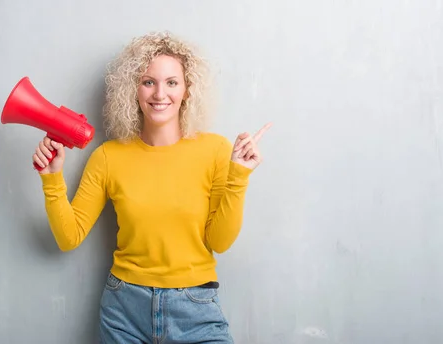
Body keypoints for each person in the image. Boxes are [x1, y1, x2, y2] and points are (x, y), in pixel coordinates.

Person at [32, 31, 271, 343]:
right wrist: (52, 178)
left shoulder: (214, 150)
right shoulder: (108, 157)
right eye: (148, 82)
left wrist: (239, 175)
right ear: (134, 89)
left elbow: (220, 241)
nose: (160, 93)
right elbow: (69, 237)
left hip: (196, 310)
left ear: (187, 90)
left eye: (172, 82)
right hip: (124, 311)